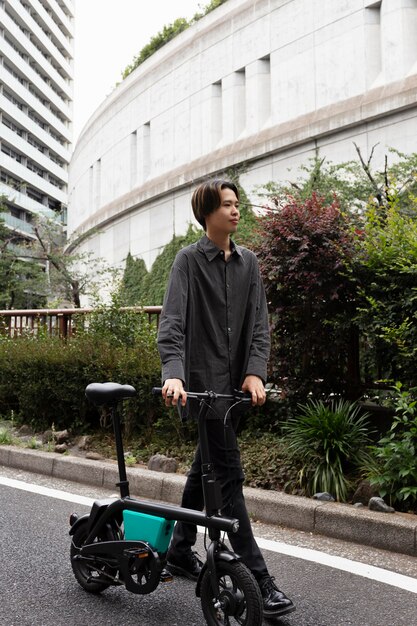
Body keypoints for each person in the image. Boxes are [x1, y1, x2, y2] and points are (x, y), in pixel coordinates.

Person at [157, 178, 295, 619]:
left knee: (206, 467)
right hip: (203, 389)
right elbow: (172, 323)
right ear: (207, 213)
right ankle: (261, 579)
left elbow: (259, 326)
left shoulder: (249, 264)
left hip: (236, 392)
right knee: (229, 478)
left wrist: (256, 372)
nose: (236, 211)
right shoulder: (188, 262)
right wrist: (173, 376)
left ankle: (179, 549)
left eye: (238, 204)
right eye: (227, 205)